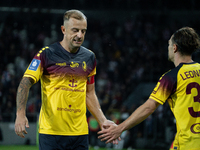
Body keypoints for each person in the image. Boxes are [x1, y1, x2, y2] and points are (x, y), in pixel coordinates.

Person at [15, 9, 119, 150]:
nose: (79, 35)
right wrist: (20, 114)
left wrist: (103, 120)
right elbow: (25, 83)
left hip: (80, 134)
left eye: (83, 31)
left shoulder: (89, 57)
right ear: (63, 29)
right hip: (51, 133)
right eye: (75, 30)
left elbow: (89, 93)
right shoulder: (46, 54)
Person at [98, 27, 200, 150]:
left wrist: (119, 129)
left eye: (169, 44)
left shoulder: (171, 77)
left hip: (188, 143)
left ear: (175, 48)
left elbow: (149, 107)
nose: (168, 48)